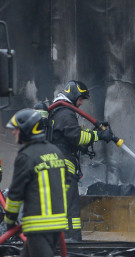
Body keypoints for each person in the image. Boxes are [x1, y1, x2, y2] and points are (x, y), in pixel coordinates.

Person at [0, 108, 80, 257]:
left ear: (25, 131)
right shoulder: (54, 151)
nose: (14, 134)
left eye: (16, 130)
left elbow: (15, 193)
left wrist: (10, 219)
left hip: (39, 223)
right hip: (56, 222)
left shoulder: (26, 156)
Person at [48, 80, 115, 241]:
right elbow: (76, 136)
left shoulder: (59, 110)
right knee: (70, 205)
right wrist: (98, 135)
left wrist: (88, 140)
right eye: (80, 99)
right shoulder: (64, 112)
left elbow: (68, 137)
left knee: (68, 204)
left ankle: (70, 240)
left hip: (60, 165)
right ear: (74, 94)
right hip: (63, 166)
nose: (81, 103)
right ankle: (71, 241)